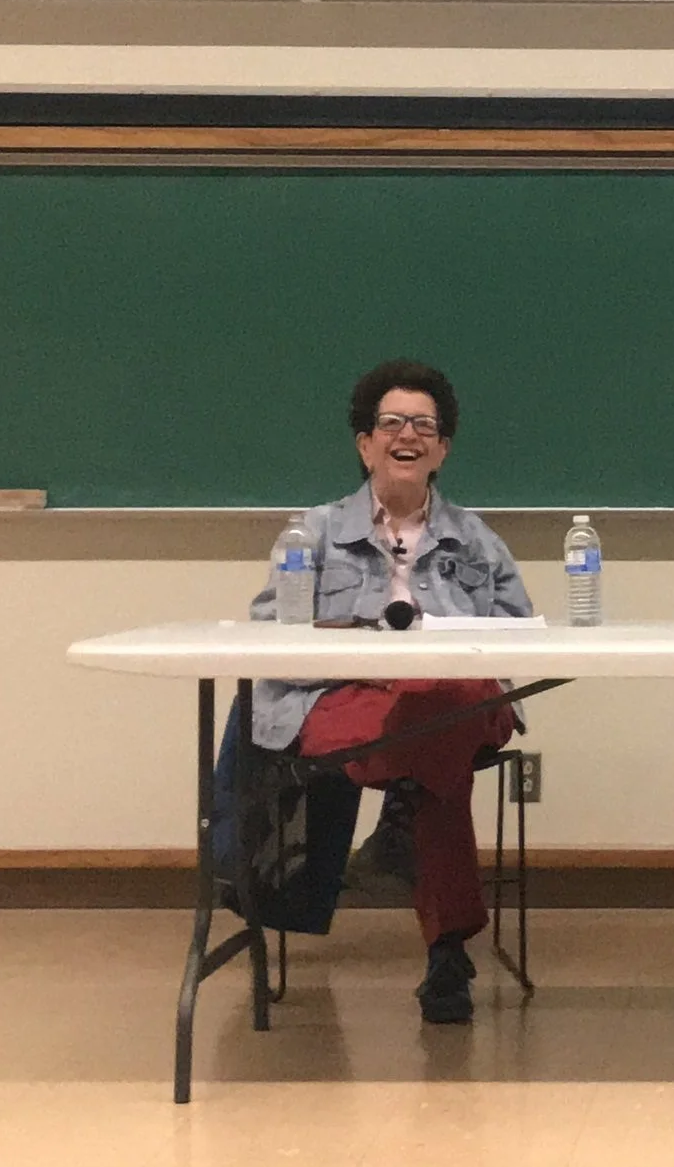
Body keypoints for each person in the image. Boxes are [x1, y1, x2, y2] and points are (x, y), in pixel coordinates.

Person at [232, 359, 531, 1024]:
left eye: (424, 425)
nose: (408, 434)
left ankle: (403, 811)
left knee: (436, 699)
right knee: (436, 764)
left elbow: (522, 642)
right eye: (391, 422)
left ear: (443, 448)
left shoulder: (477, 540)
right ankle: (446, 951)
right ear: (364, 442)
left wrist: (452, 667)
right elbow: (267, 638)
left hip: (461, 699)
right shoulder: (309, 534)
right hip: (346, 700)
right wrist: (364, 662)